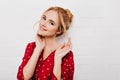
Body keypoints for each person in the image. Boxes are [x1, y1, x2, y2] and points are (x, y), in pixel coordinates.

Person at [17, 6, 74, 80]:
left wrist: (58, 59)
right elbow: (23, 77)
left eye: (51, 23)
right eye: (44, 18)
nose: (43, 24)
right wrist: (38, 49)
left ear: (58, 30)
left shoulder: (66, 54)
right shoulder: (31, 46)